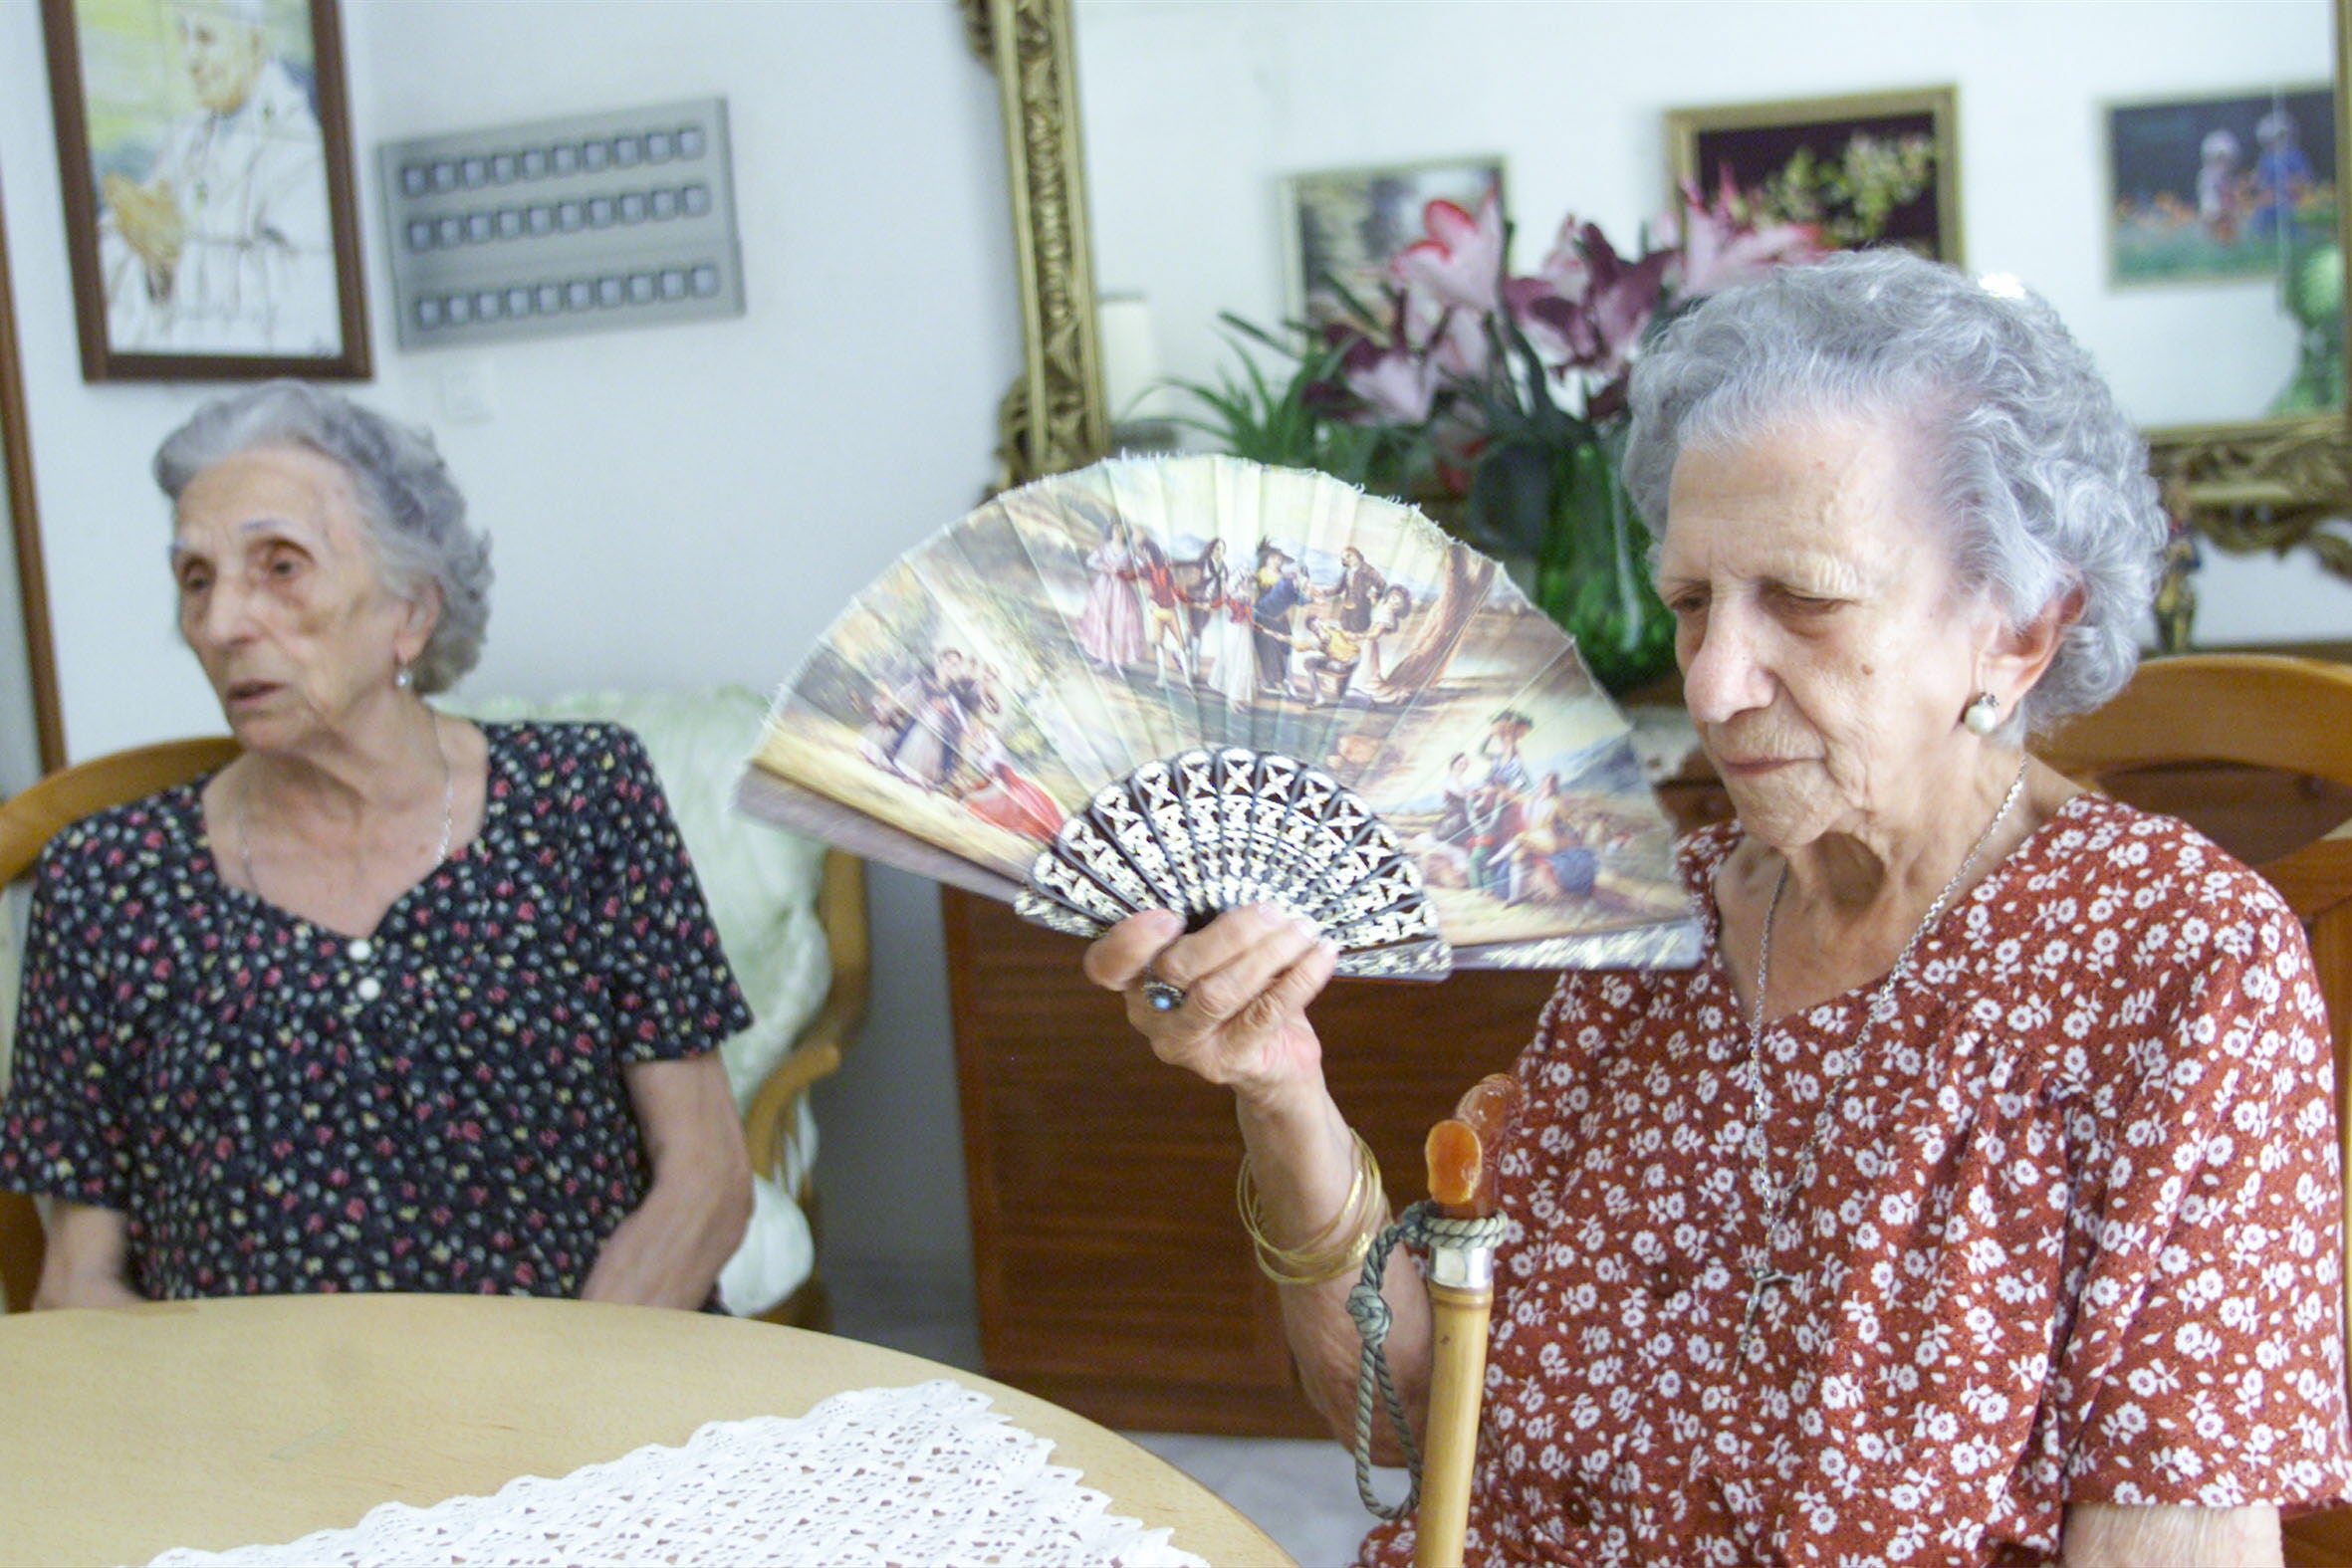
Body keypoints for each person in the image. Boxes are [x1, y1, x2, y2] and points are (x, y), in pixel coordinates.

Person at [1080, 251, 2352, 1565]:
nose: (1714, 680)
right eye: (1692, 602)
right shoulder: (1671, 914)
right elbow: (1418, 1423)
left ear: (2017, 632)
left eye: (1800, 599)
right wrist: (1282, 1091)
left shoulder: (2174, 963)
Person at [0, 381, 753, 1310]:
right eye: (196, 579)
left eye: (280, 567)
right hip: (253, 1431)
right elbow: (80, 1277)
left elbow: (706, 1181)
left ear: (410, 612)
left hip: (586, 1411)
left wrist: (561, 1412)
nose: (225, 623)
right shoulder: (106, 879)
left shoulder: (583, 797)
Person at [98, 0, 341, 354]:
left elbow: (300, 301)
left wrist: (177, 252)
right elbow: (113, 264)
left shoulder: (301, 151)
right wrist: (145, 251)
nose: (190, 59)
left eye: (206, 38)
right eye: (184, 37)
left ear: (254, 43)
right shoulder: (183, 139)